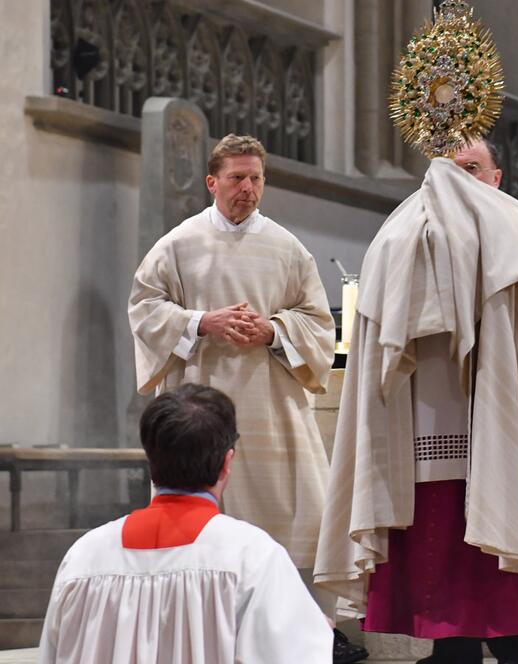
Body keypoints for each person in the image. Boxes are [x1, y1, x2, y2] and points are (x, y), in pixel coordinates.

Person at [314, 136, 518, 664]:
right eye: (452, 169)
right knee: (441, 561)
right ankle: (449, 649)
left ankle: (512, 650)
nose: (461, 182)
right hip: (425, 424)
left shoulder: (514, 227)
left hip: (499, 424)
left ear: (496, 178)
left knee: (507, 541)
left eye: (473, 169)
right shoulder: (400, 233)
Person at [127, 134, 367, 663]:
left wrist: (274, 333)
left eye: (256, 178)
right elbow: (144, 308)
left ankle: (306, 631)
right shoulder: (179, 244)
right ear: (212, 182)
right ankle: (204, 633)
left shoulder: (287, 248)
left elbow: (318, 324)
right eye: (237, 178)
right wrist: (199, 321)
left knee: (300, 513)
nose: (248, 189)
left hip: (273, 410)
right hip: (202, 407)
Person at [37, 384, 332, 663]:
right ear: (227, 462)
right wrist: (314, 630)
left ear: (150, 458)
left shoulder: (85, 556)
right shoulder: (251, 556)